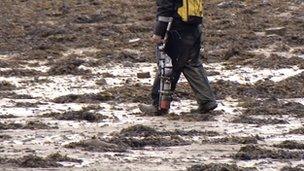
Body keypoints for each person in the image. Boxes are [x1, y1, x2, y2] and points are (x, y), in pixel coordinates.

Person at [139, 0, 217, 115]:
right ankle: (207, 101)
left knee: (168, 65)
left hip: (177, 27)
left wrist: (159, 31)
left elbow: (166, 6)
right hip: (194, 25)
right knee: (191, 63)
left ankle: (159, 105)